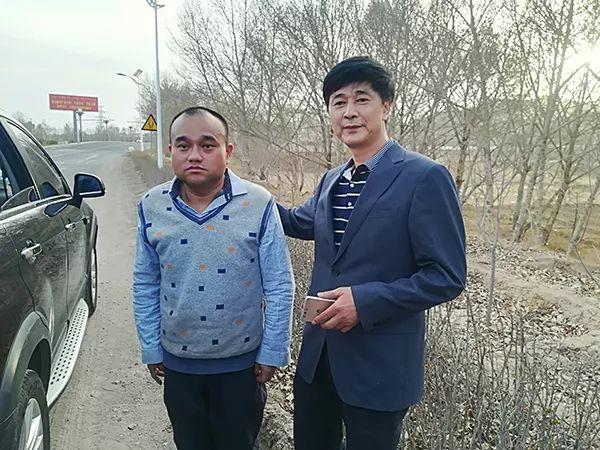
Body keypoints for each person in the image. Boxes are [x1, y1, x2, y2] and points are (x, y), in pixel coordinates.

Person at [277, 56, 467, 450]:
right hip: (319, 359)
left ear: (387, 106)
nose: (349, 112)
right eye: (338, 102)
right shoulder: (332, 180)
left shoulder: (424, 176)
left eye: (361, 99)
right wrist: (237, 190)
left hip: (381, 366)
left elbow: (446, 276)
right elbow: (296, 222)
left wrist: (364, 302)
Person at [133, 106, 294, 450]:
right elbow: (145, 282)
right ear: (170, 151)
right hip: (179, 364)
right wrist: (151, 347)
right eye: (183, 145)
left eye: (207, 145)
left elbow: (280, 284)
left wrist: (272, 351)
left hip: (241, 367)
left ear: (227, 151)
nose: (194, 155)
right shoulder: (151, 205)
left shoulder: (259, 203)